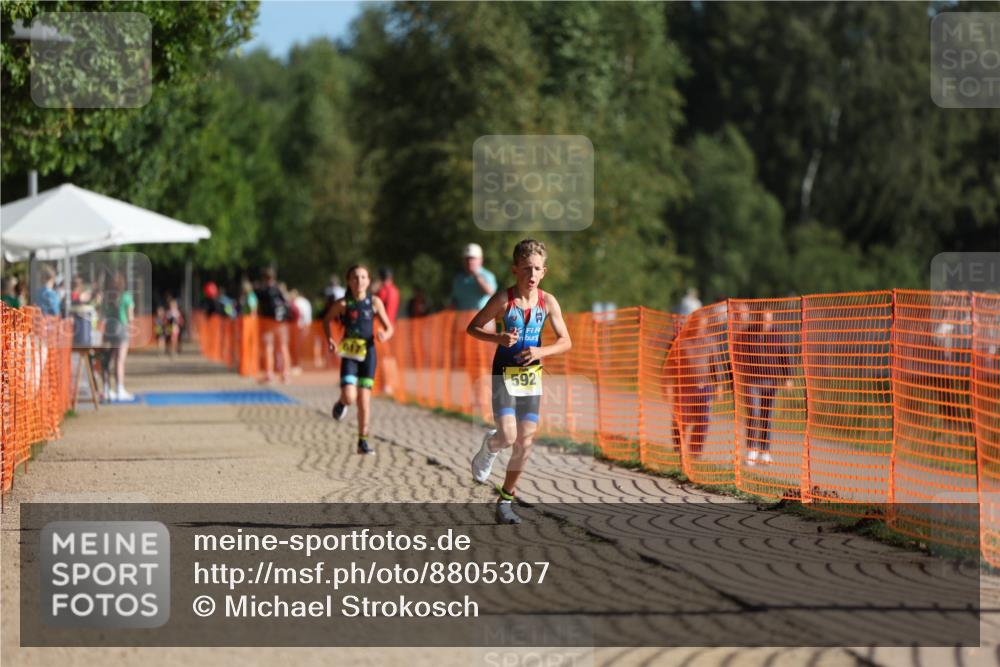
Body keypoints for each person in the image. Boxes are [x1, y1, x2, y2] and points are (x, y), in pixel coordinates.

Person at [466, 239, 572, 525]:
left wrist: (541, 351)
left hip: (530, 377)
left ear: (544, 271)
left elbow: (566, 341)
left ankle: (506, 501)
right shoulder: (503, 300)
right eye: (526, 269)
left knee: (525, 443)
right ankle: (490, 446)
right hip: (504, 373)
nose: (532, 275)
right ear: (515, 270)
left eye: (537, 269)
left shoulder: (548, 302)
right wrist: (497, 338)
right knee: (509, 437)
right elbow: (473, 327)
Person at [324, 265, 395, 455]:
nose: (359, 281)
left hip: (369, 354)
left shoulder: (375, 302)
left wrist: (384, 335)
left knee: (364, 400)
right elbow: (327, 320)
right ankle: (341, 402)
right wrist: (330, 338)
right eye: (355, 277)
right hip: (350, 355)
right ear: (348, 281)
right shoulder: (343, 304)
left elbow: (390, 328)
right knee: (350, 396)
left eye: (363, 277)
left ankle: (362, 442)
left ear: (369, 281)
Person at [102, 271, 135, 401]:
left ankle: (106, 388)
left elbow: (103, 314)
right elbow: (130, 316)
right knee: (120, 360)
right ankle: (120, 388)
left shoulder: (108, 297)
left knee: (107, 360)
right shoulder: (126, 296)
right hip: (121, 328)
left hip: (109, 328)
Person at [255, 268, 291, 383]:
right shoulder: (278, 289)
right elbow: (286, 302)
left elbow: (258, 304)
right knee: (283, 347)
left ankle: (269, 373)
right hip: (281, 323)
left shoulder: (262, 290)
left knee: (268, 348)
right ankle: (285, 373)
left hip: (267, 321)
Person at [375, 268, 401, 395]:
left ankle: (386, 384)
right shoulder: (396, 290)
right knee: (390, 357)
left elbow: (376, 308)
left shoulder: (382, 291)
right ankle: (392, 383)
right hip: (393, 325)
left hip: (382, 327)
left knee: (383, 357)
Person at [450, 243, 497, 311]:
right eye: (467, 259)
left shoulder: (487, 276)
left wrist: (477, 276)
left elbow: (491, 293)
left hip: (482, 318)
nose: (470, 261)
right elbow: (454, 299)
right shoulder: (458, 278)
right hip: (462, 318)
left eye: (473, 258)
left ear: (481, 260)